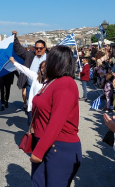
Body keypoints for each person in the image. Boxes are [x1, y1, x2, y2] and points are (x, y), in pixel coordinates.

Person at [30, 45, 81, 186]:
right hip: (46, 142)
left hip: (59, 147)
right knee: (37, 183)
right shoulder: (52, 81)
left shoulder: (65, 84)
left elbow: (56, 122)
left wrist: (39, 151)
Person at [12, 30, 47, 113]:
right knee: (31, 107)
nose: (38, 50)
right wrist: (15, 38)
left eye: (40, 48)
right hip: (30, 86)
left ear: (44, 48)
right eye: (36, 48)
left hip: (45, 88)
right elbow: (19, 50)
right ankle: (31, 123)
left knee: (42, 108)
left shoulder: (50, 57)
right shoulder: (30, 55)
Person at [9, 57, 46, 125]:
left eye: (45, 67)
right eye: (42, 67)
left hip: (44, 111)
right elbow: (24, 70)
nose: (43, 69)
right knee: (31, 128)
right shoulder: (35, 76)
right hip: (32, 109)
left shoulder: (52, 81)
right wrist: (14, 62)